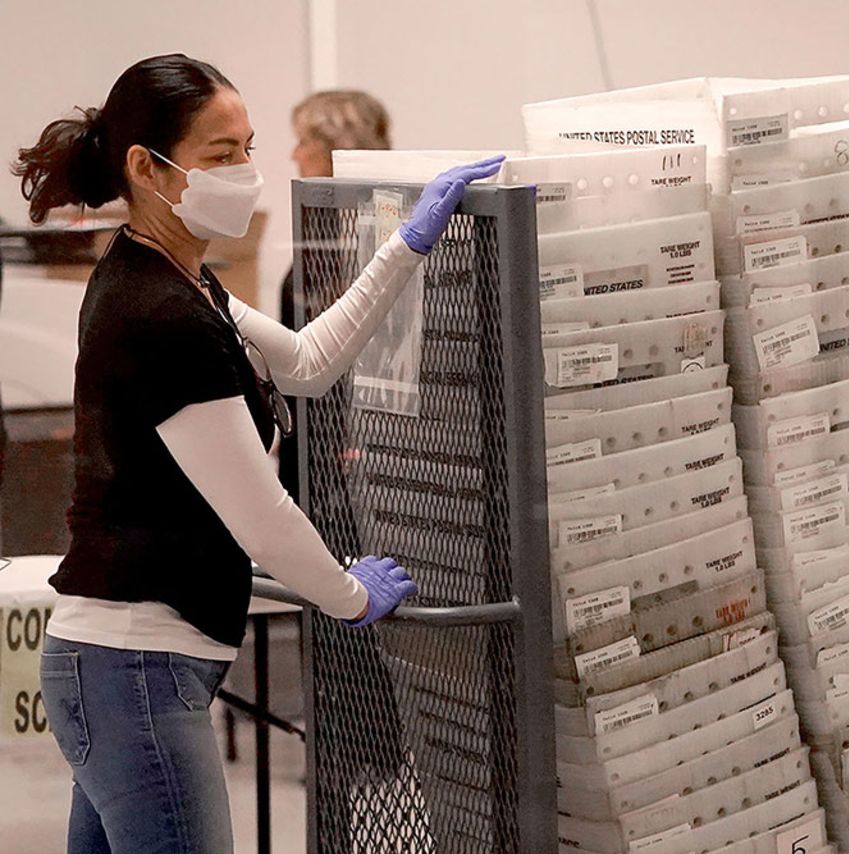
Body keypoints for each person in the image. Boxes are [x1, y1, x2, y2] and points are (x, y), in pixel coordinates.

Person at [11, 53, 502, 853]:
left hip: (123, 669)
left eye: (248, 147)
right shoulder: (157, 311)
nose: (248, 171)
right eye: (220, 154)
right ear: (147, 167)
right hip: (133, 670)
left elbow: (307, 361)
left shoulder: (180, 279)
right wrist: (349, 597)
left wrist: (406, 246)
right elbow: (263, 519)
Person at [279, 89, 392, 502]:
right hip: (311, 433)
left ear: (335, 149)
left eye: (305, 141)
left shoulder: (370, 234)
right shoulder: (322, 229)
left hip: (347, 444)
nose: (295, 154)